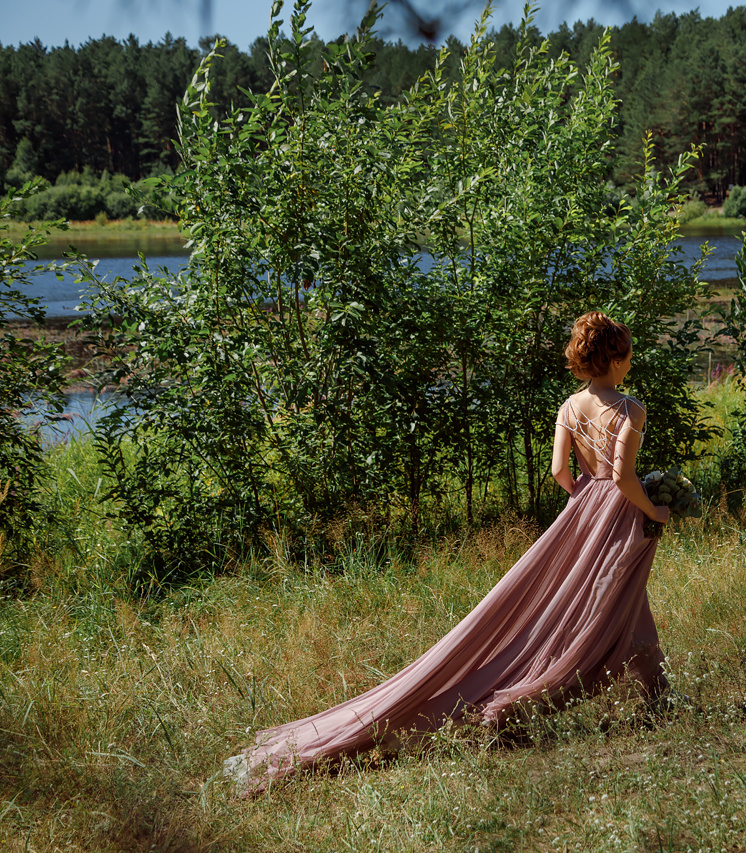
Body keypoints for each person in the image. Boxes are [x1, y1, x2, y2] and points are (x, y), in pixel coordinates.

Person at [223, 311, 672, 795]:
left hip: (582, 510)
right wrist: (656, 509)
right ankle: (531, 704)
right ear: (615, 357)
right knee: (610, 601)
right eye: (627, 356)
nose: (629, 365)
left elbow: (559, 471)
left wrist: (581, 500)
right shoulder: (630, 409)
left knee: (612, 601)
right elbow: (624, 478)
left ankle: (658, 694)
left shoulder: (569, 406)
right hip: (619, 511)